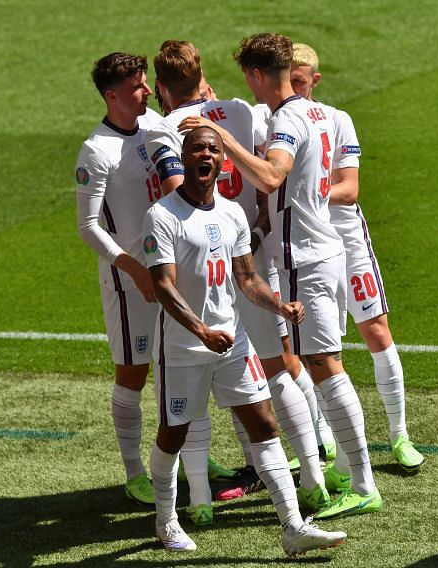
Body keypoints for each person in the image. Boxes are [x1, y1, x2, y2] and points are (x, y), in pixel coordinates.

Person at [179, 32, 381, 520]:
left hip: (307, 259)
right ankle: (346, 473)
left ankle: (362, 482)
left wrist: (222, 137)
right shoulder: (314, 112)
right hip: (320, 250)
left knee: (325, 367)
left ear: (254, 75)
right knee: (317, 365)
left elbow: (271, 176)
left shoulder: (288, 118)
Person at [142, 125, 347, 555]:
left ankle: (293, 527)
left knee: (264, 424)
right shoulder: (162, 216)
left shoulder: (233, 213)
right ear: (186, 158)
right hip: (184, 350)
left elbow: (247, 278)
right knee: (173, 435)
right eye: (197, 148)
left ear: (222, 161)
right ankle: (166, 521)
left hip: (232, 343)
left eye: (213, 150)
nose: (206, 155)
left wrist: (279, 307)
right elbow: (162, 285)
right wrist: (200, 330)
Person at [146, 40, 330, 511]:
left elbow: (182, 194)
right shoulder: (243, 111)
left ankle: (199, 499)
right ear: (203, 74)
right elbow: (268, 167)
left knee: (200, 393)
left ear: (162, 88)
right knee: (277, 370)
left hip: (205, 266)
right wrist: (263, 213)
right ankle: (313, 473)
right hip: (252, 251)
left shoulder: (165, 128)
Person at [74, 52, 232, 509]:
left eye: (147, 84)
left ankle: (191, 455)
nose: (148, 92)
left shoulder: (156, 128)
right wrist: (131, 267)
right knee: (134, 373)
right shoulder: (96, 150)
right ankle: (134, 473)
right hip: (129, 283)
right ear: (112, 95)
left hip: (169, 272)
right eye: (138, 87)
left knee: (179, 366)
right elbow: (88, 227)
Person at [289, 44, 425, 490]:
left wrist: (305, 189)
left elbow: (348, 189)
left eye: (302, 80)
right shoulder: (276, 121)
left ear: (315, 80)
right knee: (312, 349)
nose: (295, 87)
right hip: (304, 244)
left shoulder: (337, 118)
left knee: (377, 330)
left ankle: (400, 435)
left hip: (345, 236)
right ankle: (328, 441)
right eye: (288, 79)